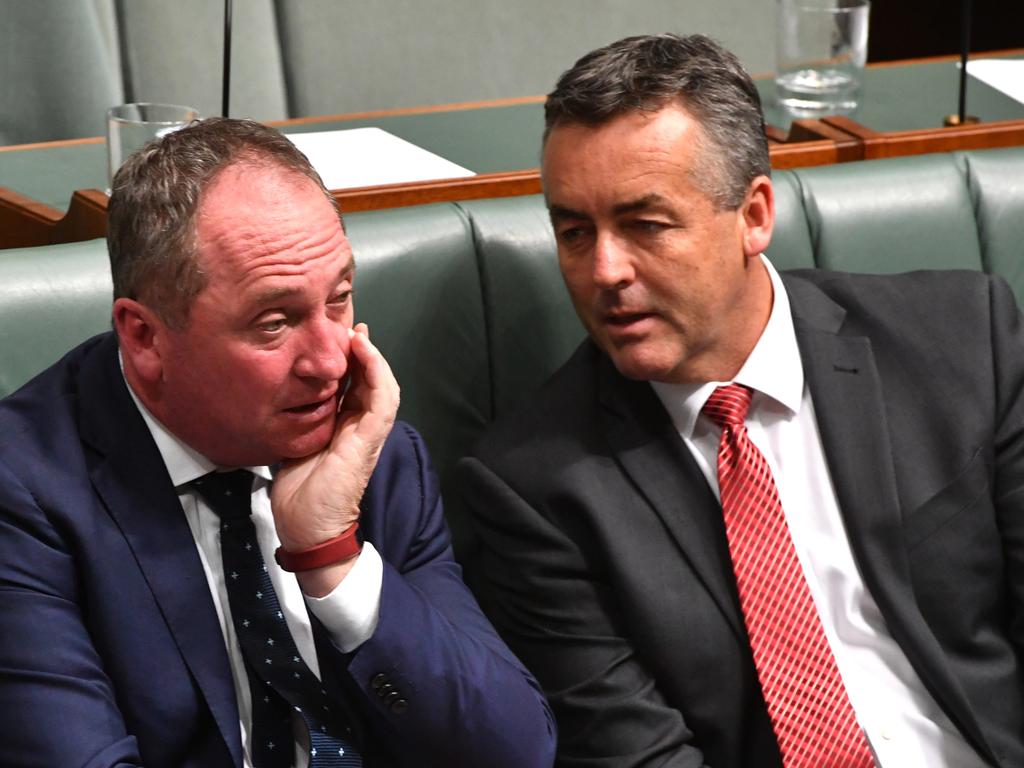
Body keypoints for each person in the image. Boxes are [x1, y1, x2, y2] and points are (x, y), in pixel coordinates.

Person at [460, 33, 1024, 768]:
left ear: (755, 214)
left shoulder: (960, 339)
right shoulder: (532, 487)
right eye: (574, 232)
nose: (603, 270)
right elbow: (636, 754)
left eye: (644, 225)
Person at [0, 117, 555, 768]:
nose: (329, 361)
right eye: (274, 323)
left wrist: (331, 557)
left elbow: (513, 752)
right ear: (145, 338)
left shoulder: (373, 451)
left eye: (340, 299)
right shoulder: (23, 491)